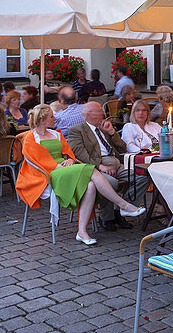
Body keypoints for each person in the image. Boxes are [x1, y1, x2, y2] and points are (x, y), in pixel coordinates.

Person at [16, 104, 145, 245]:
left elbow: (69, 153)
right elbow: (35, 159)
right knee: (91, 170)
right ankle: (123, 205)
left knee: (90, 186)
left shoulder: (56, 134)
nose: (55, 118)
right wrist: (57, 165)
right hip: (48, 173)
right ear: (42, 120)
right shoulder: (31, 137)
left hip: (67, 169)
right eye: (52, 116)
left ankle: (82, 232)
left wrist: (70, 160)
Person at [66, 102, 151, 231]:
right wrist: (100, 166)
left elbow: (122, 148)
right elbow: (80, 153)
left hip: (117, 163)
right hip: (97, 167)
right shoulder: (77, 130)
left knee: (144, 176)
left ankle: (122, 209)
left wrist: (112, 132)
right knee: (110, 182)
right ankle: (107, 217)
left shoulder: (104, 129)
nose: (103, 114)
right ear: (88, 114)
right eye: (99, 111)